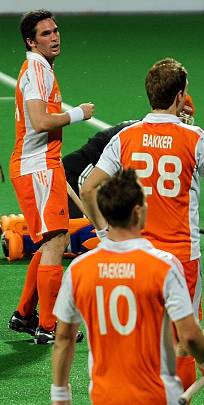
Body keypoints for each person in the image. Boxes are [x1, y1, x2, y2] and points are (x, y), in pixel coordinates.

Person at [80, 58, 204, 389]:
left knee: (140, 334)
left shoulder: (126, 137)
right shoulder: (194, 138)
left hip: (134, 255)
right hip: (180, 259)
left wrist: (105, 236)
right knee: (185, 338)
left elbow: (87, 189)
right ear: (181, 96)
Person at [50, 169, 204, 405]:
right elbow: (190, 334)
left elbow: (63, 338)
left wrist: (60, 395)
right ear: (138, 212)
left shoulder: (79, 269)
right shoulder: (162, 265)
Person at [8, 9, 94, 344]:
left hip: (42, 165)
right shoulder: (37, 69)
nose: (54, 37)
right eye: (45, 33)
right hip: (37, 167)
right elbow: (41, 121)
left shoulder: (40, 68)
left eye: (55, 31)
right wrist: (78, 114)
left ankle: (26, 314)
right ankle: (50, 325)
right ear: (31, 41)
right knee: (57, 242)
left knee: (49, 243)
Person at [63, 96, 196, 218]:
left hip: (99, 181)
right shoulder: (140, 136)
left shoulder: (153, 135)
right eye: (180, 118)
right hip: (79, 176)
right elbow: (92, 185)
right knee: (92, 233)